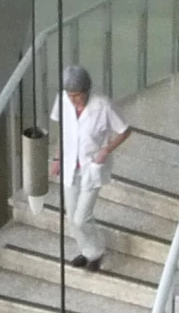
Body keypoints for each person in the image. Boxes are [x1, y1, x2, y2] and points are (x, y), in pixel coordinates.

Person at [51, 65, 132, 273]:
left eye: (76, 96)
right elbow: (64, 132)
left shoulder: (103, 106)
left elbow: (124, 130)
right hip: (71, 166)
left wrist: (106, 150)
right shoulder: (63, 101)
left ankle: (96, 251)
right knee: (71, 216)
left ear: (86, 91)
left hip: (92, 167)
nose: (73, 100)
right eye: (70, 96)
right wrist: (57, 158)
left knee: (81, 217)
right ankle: (87, 251)